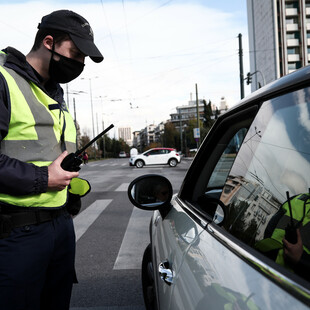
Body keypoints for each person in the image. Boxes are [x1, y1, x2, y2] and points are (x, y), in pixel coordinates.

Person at [0, 9, 103, 310]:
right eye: (76, 53)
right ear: (49, 42)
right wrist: (44, 178)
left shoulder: (55, 94)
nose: (79, 64)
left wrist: (68, 191)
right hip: (16, 234)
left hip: (59, 228)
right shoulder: (4, 80)